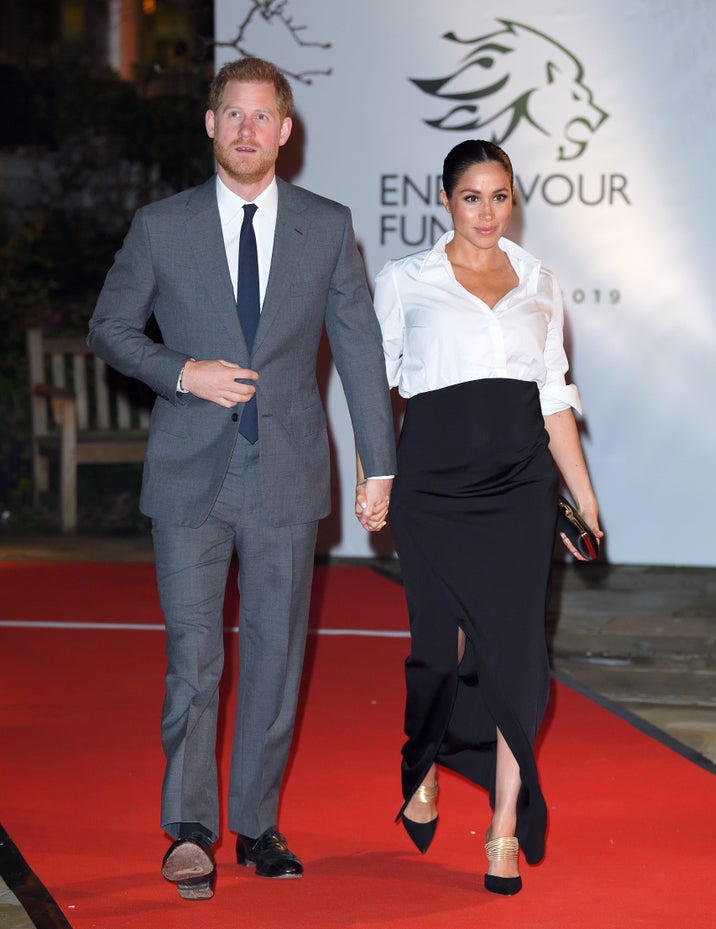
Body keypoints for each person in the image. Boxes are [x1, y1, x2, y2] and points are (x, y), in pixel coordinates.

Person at [88, 57, 395, 901]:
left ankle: (257, 825)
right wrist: (183, 370)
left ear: (285, 132)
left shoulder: (326, 226)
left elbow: (360, 347)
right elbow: (110, 328)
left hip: (288, 475)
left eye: (264, 117)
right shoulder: (161, 225)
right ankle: (189, 829)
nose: (248, 130)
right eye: (234, 115)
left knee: (273, 656)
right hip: (190, 473)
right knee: (194, 658)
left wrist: (382, 461)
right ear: (211, 125)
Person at [362, 139, 601, 895]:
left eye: (501, 197)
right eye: (473, 197)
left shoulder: (538, 280)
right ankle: (423, 757)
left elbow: (554, 394)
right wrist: (377, 475)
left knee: (517, 659)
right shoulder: (405, 280)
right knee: (438, 649)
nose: (488, 212)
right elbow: (376, 391)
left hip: (519, 490)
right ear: (445, 201)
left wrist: (585, 497)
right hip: (432, 492)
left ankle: (502, 825)